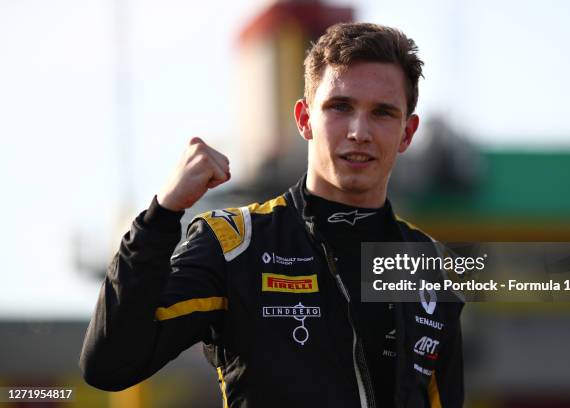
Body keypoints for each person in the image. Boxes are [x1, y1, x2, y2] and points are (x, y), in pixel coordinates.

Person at [80, 22, 464, 407]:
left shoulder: (428, 264)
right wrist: (162, 215)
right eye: (340, 107)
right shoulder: (235, 244)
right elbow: (110, 364)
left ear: (407, 133)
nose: (359, 131)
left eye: (382, 113)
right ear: (304, 119)